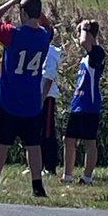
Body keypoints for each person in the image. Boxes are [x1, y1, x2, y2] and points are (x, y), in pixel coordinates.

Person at [0, 0, 52, 198]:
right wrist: (35, 7)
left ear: (22, 13)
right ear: (38, 14)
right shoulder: (44, 37)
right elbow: (49, 26)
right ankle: (37, 186)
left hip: (8, 97)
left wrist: (14, 0)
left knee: (1, 143)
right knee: (33, 145)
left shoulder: (13, 33)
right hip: (31, 99)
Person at [61, 19, 105, 186]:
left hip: (89, 105)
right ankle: (68, 174)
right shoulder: (86, 57)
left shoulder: (97, 53)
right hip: (77, 103)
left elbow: (84, 41)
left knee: (89, 141)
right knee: (69, 139)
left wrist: (84, 26)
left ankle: (87, 177)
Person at [39, 37, 62, 175]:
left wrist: (42, 98)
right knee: (36, 131)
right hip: (35, 97)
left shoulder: (50, 52)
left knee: (47, 132)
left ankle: (50, 166)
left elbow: (49, 75)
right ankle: (38, 164)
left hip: (46, 97)